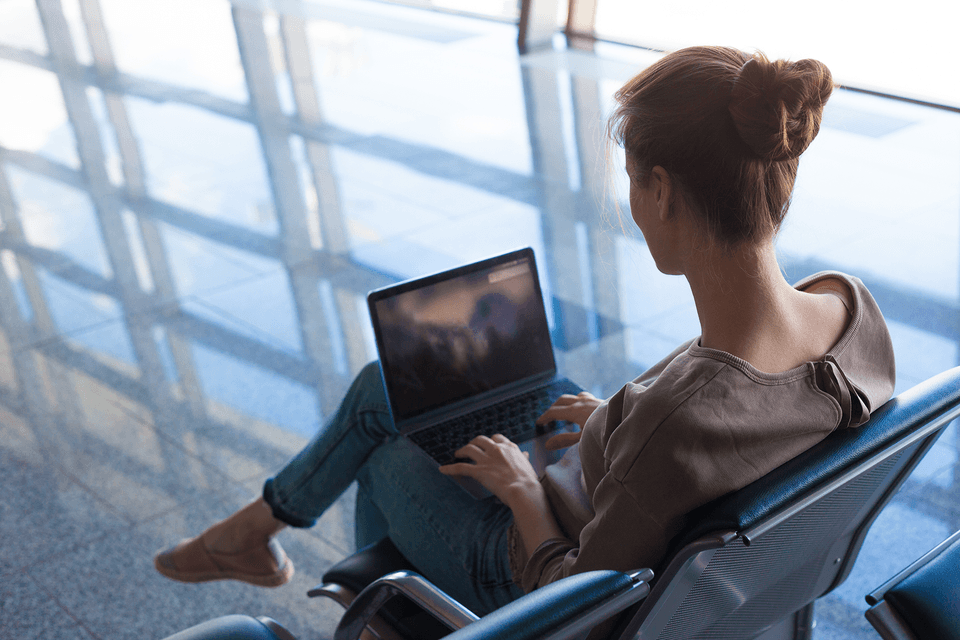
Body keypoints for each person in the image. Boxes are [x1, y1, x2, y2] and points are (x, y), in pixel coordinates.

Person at [153, 46, 896, 617]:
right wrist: (616, 426)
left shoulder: (673, 422)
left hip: (531, 559)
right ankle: (259, 535)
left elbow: (580, 607)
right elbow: (739, 423)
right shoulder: (850, 311)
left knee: (388, 432)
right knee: (460, 389)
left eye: (633, 181)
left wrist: (523, 496)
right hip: (669, 516)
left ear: (661, 190)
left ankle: (379, 610)